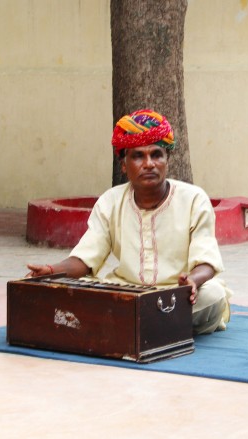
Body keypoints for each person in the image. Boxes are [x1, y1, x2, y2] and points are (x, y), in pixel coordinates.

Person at [27, 109, 231, 335]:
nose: (149, 164)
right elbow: (85, 260)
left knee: (213, 296)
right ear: (123, 165)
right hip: (126, 293)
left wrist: (192, 281)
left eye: (156, 155)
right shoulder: (110, 202)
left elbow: (207, 261)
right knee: (82, 293)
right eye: (138, 156)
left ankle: (124, 326)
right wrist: (51, 270)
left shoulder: (194, 199)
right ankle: (151, 327)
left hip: (177, 294)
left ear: (167, 160)